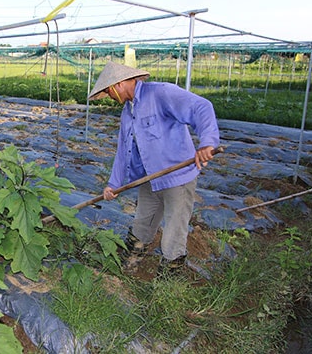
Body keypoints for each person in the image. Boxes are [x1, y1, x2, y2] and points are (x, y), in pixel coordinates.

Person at [88, 61, 220, 275]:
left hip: (177, 176)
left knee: (173, 234)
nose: (110, 98)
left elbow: (201, 107)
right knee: (142, 223)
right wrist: (113, 184)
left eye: (108, 92)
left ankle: (168, 281)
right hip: (150, 178)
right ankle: (129, 266)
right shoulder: (127, 111)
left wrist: (207, 143)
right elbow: (124, 150)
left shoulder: (161, 93)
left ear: (118, 85)